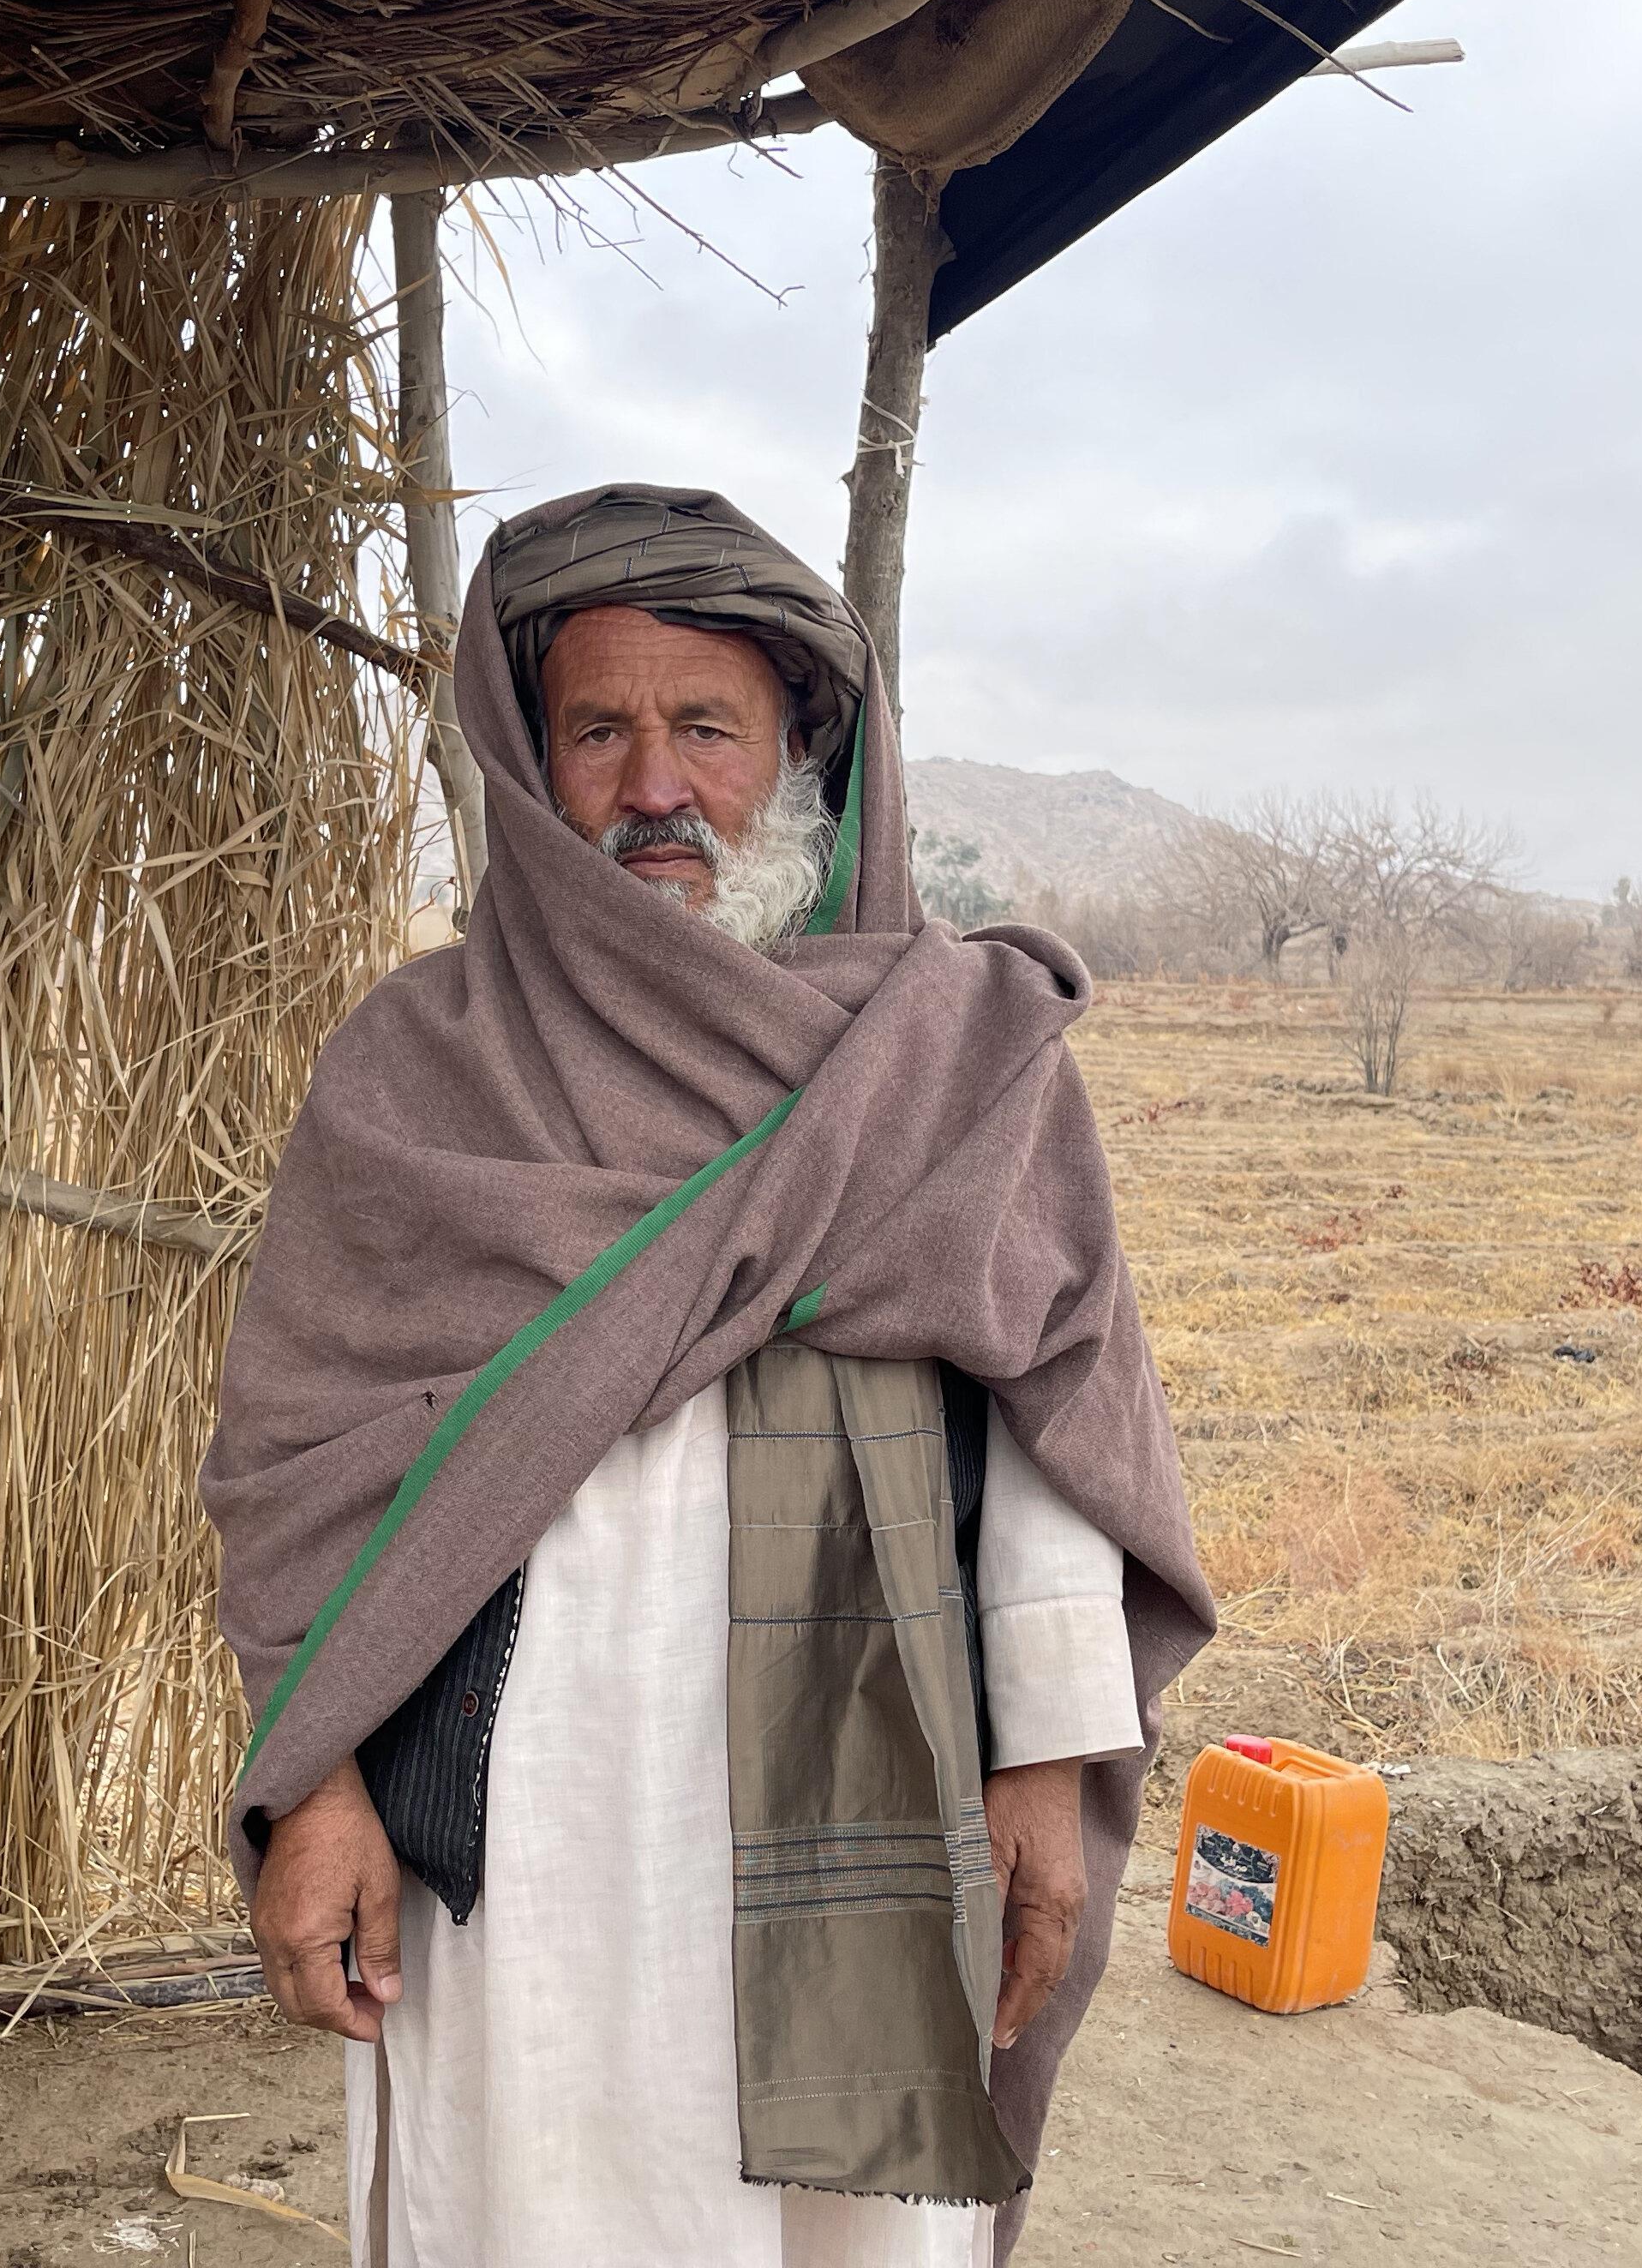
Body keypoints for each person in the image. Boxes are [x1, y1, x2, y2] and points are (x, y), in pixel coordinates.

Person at [201, 485, 1210, 2267]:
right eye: (598, 729)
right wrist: (322, 1789)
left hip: (882, 1803)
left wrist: (1044, 1781)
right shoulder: (417, 1080)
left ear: (803, 749)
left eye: (706, 730)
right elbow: (305, 1473)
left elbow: (1055, 1426)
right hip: (523, 1841)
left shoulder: (952, 1056)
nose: (654, 786)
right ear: (530, 763)